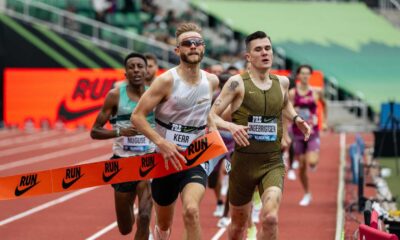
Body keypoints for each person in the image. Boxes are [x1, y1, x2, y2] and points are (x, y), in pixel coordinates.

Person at [210, 31, 311, 240]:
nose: (265, 53)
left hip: (272, 162)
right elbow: (210, 116)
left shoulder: (282, 83)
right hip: (242, 164)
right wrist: (231, 126)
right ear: (248, 57)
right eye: (258, 49)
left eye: (267, 48)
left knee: (271, 219)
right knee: (238, 226)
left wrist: (297, 119)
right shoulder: (236, 83)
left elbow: (285, 105)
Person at [131, 22, 219, 240]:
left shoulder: (212, 81)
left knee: (191, 210)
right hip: (164, 159)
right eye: (187, 43)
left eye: (197, 43)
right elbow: (137, 116)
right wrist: (162, 143)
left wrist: (213, 126)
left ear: (203, 48)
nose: (193, 47)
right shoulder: (166, 81)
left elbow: (205, 110)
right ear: (177, 50)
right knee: (164, 225)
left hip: (195, 156)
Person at [90, 52, 153, 239]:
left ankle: (143, 231)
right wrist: (119, 132)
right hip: (122, 164)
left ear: (146, 71)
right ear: (125, 72)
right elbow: (95, 131)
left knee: (145, 214)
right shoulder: (115, 96)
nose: (136, 70)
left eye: (140, 66)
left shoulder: (155, 95)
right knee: (125, 228)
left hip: (148, 161)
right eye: (131, 67)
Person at [289, 64, 327, 206]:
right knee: (302, 165)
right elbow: (288, 109)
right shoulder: (293, 93)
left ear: (310, 76)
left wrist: (325, 121)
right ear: (298, 76)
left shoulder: (316, 92)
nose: (305, 76)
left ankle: (314, 159)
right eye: (302, 73)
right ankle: (307, 193)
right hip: (298, 132)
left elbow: (325, 105)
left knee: (311, 162)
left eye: (307, 74)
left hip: (313, 131)